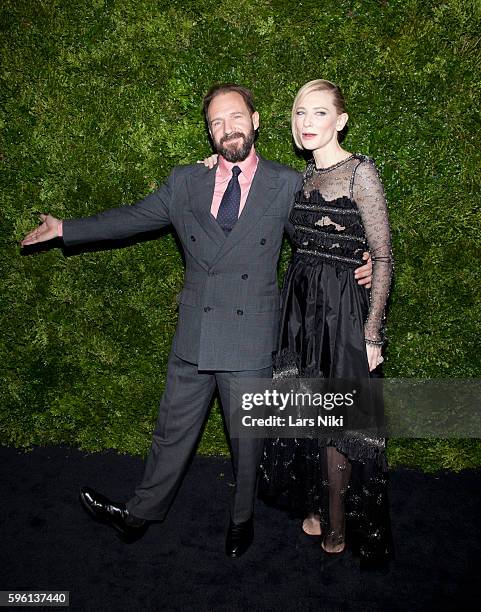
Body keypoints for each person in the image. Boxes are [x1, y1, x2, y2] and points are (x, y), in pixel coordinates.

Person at [20, 83, 372, 558]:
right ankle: (139, 515)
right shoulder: (186, 180)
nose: (228, 129)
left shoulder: (287, 182)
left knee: (247, 444)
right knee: (171, 432)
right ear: (209, 133)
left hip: (250, 338)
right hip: (195, 334)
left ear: (257, 120)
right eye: (216, 123)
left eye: (236, 118)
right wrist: (67, 229)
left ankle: (242, 519)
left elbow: (317, 233)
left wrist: (360, 259)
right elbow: (134, 217)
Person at [258, 79, 394, 569]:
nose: (307, 123)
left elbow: (382, 255)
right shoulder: (300, 178)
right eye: (299, 114)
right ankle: (317, 504)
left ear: (341, 120)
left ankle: (338, 521)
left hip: (342, 312)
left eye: (318, 113)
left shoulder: (361, 173)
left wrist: (373, 332)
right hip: (300, 308)